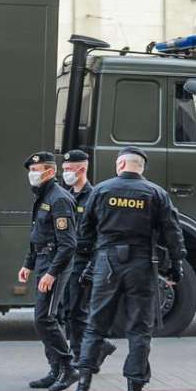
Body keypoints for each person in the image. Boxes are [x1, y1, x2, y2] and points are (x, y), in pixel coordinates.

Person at [70, 147, 186, 391]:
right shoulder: (156, 193)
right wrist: (176, 264)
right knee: (139, 331)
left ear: (121, 164)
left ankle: (82, 388)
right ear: (141, 167)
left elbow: (85, 231)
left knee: (95, 326)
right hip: (141, 265)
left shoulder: (101, 190)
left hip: (106, 262)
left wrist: (87, 262)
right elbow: (172, 231)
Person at [18, 151, 79, 391]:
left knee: (45, 318)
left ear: (50, 172)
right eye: (30, 171)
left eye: (36, 170)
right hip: (44, 260)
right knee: (44, 318)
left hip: (56, 264)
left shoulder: (59, 198)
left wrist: (51, 273)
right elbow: (38, 235)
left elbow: (68, 244)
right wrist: (29, 263)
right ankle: (55, 370)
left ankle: (68, 367)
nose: (32, 174)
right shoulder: (42, 196)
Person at [60, 150, 116, 369]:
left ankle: (81, 355)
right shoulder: (66, 195)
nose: (65, 173)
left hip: (83, 261)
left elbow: (101, 235)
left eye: (68, 169)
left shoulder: (94, 196)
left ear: (82, 169)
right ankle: (97, 348)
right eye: (64, 169)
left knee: (77, 311)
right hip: (67, 260)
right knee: (68, 310)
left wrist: (93, 266)